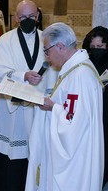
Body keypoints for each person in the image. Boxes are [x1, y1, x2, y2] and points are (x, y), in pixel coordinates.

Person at [26, 22, 104, 191]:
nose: (47, 57)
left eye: (47, 51)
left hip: (77, 160)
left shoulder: (80, 75)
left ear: (60, 47)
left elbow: (74, 124)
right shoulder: (74, 70)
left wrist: (51, 107)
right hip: (77, 153)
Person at [0, 0, 57, 191]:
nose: (28, 20)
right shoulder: (5, 40)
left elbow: (55, 68)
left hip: (38, 105)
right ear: (16, 18)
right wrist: (23, 76)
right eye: (23, 17)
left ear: (37, 16)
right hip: (14, 107)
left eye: (32, 16)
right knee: (12, 151)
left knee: (35, 150)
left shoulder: (47, 38)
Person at [82, 25, 108, 188]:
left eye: (101, 47)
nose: (96, 50)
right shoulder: (85, 65)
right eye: (93, 47)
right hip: (90, 116)